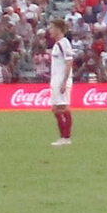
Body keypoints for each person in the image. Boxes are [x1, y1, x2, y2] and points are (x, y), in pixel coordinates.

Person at [48, 19, 74, 147]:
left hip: (61, 79)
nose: (50, 31)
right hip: (56, 79)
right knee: (55, 109)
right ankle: (63, 136)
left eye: (52, 28)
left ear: (59, 29)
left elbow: (69, 62)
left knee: (62, 107)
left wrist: (64, 81)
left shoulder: (64, 43)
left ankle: (66, 137)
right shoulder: (57, 44)